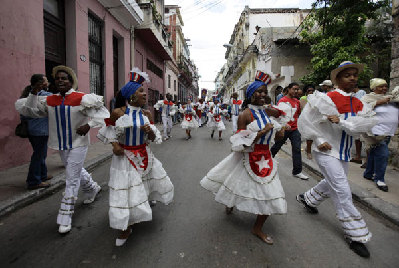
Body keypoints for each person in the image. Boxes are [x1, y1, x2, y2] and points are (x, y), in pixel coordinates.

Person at [296, 61, 377, 258]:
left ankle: (308, 199)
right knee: (341, 188)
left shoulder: (360, 103)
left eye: (354, 75)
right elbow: (306, 121)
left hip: (343, 153)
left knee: (332, 182)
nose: (353, 78)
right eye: (347, 75)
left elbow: (362, 126)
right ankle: (356, 235)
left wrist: (341, 121)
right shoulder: (325, 98)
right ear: (337, 79)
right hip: (325, 150)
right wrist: (318, 139)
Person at [15, 65, 109, 234]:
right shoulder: (50, 100)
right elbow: (30, 110)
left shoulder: (83, 98)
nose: (60, 80)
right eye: (57, 78)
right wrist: (34, 93)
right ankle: (92, 187)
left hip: (79, 143)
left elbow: (104, 115)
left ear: (71, 81)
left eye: (64, 78)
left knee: (71, 177)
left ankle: (65, 216)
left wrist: (88, 125)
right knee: (74, 170)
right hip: (61, 144)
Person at [200, 71, 287, 245]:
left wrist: (280, 133)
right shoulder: (245, 115)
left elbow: (276, 137)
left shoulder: (267, 112)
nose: (263, 95)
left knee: (270, 193)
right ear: (250, 94)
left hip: (266, 157)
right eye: (259, 92)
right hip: (248, 157)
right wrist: (261, 132)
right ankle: (230, 203)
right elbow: (240, 142)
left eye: (265, 92)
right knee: (236, 185)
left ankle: (257, 228)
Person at [97, 68, 174, 246]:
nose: (145, 94)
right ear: (131, 95)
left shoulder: (147, 114)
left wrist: (150, 132)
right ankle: (124, 226)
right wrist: (115, 145)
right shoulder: (118, 113)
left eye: (144, 91)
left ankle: (140, 209)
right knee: (125, 189)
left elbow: (153, 138)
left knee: (141, 184)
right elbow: (110, 132)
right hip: (125, 157)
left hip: (144, 154)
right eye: (141, 91)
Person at [362, 80, 399, 192]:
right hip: (374, 133)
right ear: (374, 88)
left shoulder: (389, 98)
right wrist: (379, 102)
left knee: (374, 152)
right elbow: (363, 109)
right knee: (383, 154)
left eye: (385, 86)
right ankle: (379, 179)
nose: (384, 88)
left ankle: (368, 173)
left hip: (387, 132)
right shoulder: (367, 98)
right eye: (381, 86)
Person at [20, 74, 53, 190]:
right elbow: (58, 99)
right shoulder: (44, 95)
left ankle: (42, 175)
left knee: (41, 153)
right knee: (38, 155)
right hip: (41, 130)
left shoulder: (27, 96)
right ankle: (34, 181)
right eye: (46, 80)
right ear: (41, 84)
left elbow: (23, 115)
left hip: (32, 130)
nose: (48, 82)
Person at [271, 82, 309, 180]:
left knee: (297, 149)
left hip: (295, 129)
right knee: (276, 146)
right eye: (294, 89)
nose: (296, 91)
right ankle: (266, 162)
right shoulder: (282, 101)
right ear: (288, 89)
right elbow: (279, 115)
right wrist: (282, 126)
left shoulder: (297, 101)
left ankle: (297, 171)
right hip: (285, 128)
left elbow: (298, 115)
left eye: (297, 89)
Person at [350, 87, 368, 164]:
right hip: (356, 118)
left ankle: (367, 160)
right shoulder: (353, 94)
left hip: (362, 118)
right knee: (357, 139)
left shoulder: (362, 93)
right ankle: (358, 156)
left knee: (365, 139)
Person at [299, 85, 316, 160]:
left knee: (312, 136)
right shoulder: (303, 98)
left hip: (313, 119)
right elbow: (305, 108)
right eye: (309, 90)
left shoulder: (316, 98)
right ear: (306, 91)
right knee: (308, 136)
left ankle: (307, 148)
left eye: (312, 90)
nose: (311, 92)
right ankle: (308, 151)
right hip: (305, 119)